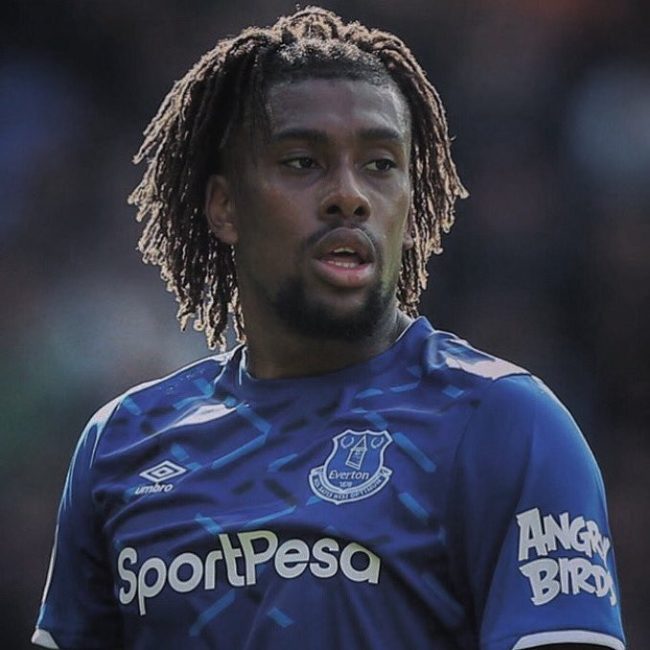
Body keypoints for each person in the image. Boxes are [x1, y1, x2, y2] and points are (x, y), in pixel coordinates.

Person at [33, 7, 626, 650]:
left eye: (380, 164)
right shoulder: (122, 443)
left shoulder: (504, 425)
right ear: (225, 206)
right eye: (302, 162)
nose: (350, 195)